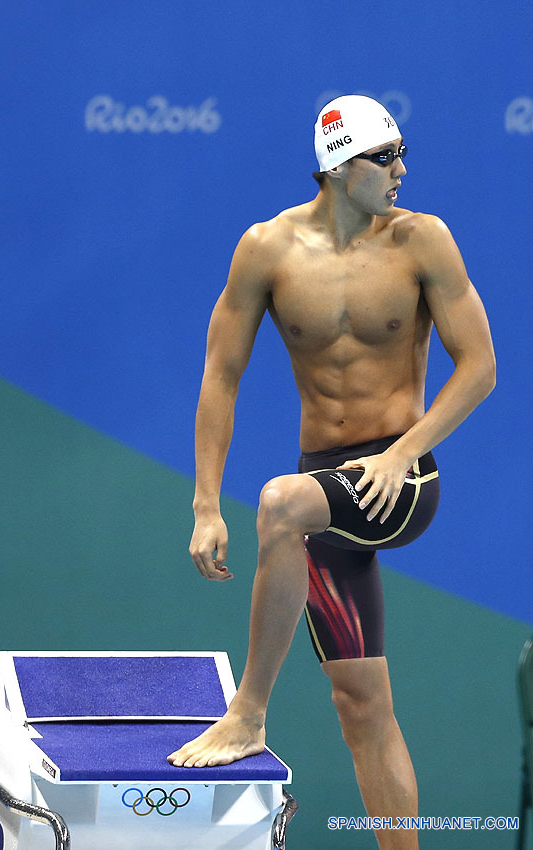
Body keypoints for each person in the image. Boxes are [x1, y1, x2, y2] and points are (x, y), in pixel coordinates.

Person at [167, 94, 496, 850]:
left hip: (399, 479)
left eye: (401, 154)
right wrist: (205, 503)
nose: (401, 172)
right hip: (326, 485)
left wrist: (403, 450)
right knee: (359, 703)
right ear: (340, 168)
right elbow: (221, 375)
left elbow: (478, 367)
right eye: (387, 159)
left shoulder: (423, 242)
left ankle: (248, 711)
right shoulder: (266, 250)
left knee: (282, 504)